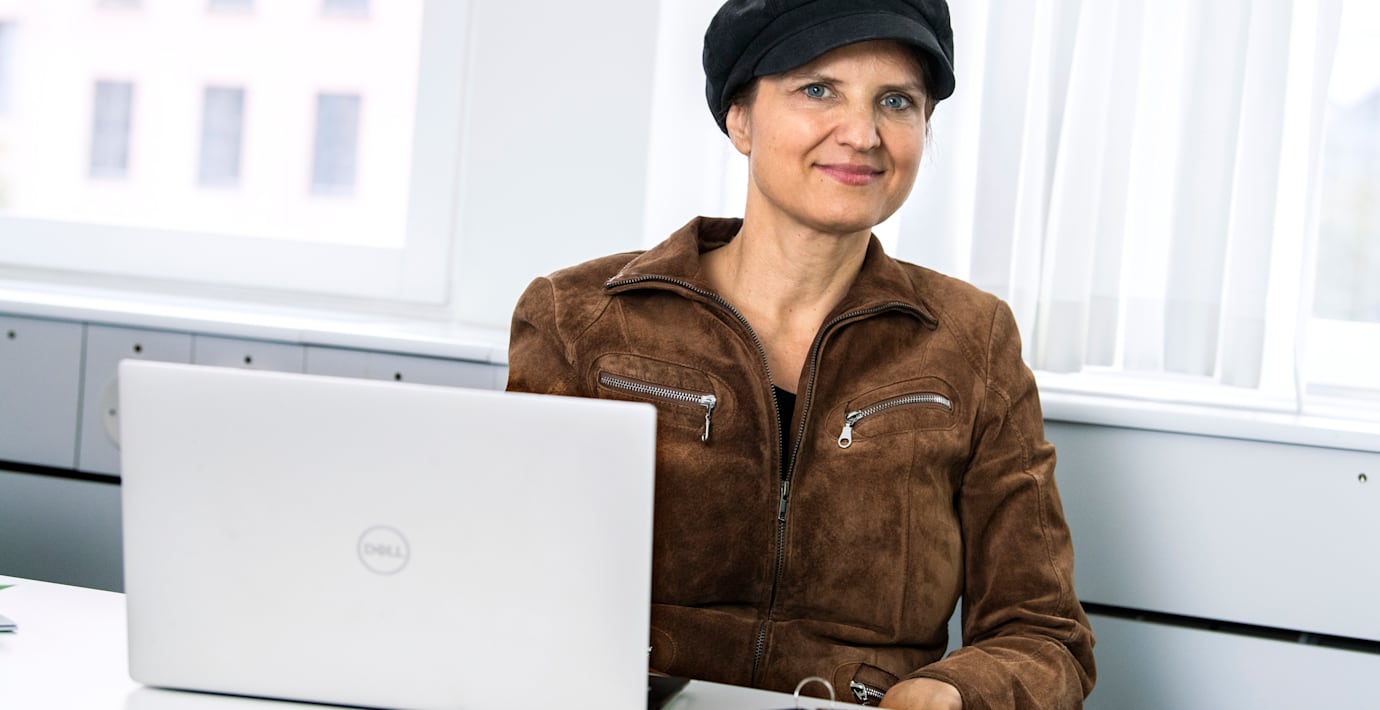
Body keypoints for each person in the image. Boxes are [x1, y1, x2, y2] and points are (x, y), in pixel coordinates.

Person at [506, 1, 1096, 707]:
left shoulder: (975, 341)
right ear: (740, 120)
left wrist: (951, 691)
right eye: (818, 90)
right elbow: (508, 578)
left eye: (896, 102)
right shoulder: (579, 318)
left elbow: (1044, 634)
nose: (863, 134)